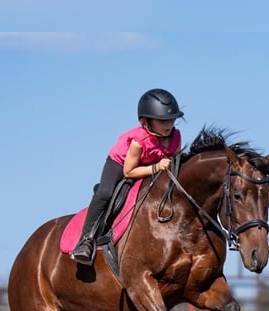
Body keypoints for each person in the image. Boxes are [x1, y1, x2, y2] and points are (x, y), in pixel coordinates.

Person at [70, 88, 184, 265]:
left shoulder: (175, 136)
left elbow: (174, 161)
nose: (168, 125)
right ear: (146, 122)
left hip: (150, 165)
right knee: (106, 192)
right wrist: (155, 167)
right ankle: (86, 240)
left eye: (171, 119)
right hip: (121, 165)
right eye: (162, 121)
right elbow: (129, 172)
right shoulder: (139, 141)